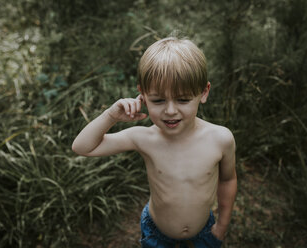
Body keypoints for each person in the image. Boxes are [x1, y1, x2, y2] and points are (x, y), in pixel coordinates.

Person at [72, 37, 237, 248]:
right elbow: (82, 147)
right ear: (142, 95)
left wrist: (222, 226)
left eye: (183, 99)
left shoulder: (220, 138)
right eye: (158, 100)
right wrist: (111, 116)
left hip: (205, 231)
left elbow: (228, 180)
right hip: (157, 234)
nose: (169, 111)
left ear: (203, 92)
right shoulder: (144, 137)